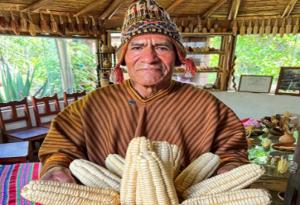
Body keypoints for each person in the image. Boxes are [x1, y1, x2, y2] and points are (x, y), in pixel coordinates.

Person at [39, 0, 248, 182]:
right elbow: (61, 148)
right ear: (123, 58)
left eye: (161, 47)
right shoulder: (92, 104)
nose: (149, 58)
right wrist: (57, 167)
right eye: (137, 47)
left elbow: (231, 151)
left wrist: (229, 170)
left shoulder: (206, 106)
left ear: (177, 57)